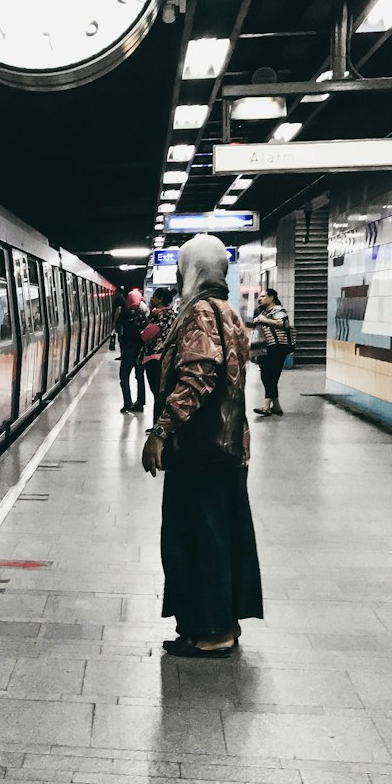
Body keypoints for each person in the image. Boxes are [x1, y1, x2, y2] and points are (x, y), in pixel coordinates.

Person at [141, 235, 263, 658]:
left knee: (196, 539)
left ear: (191, 269)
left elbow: (197, 376)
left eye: (181, 266)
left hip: (199, 452)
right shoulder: (230, 311)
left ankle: (211, 634)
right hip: (229, 448)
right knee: (223, 537)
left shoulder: (199, 313)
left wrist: (160, 432)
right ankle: (221, 622)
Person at [252, 287, 292, 416]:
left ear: (271, 297)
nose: (260, 298)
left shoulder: (278, 310)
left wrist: (265, 320)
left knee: (271, 375)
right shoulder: (260, 311)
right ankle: (276, 406)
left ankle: (266, 407)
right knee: (267, 376)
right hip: (263, 347)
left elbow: (284, 324)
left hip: (277, 347)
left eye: (263, 296)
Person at [139, 286, 176, 417]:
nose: (152, 299)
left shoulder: (158, 316)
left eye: (154, 297)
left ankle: (157, 425)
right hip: (169, 358)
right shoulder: (173, 314)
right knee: (165, 393)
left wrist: (143, 331)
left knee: (158, 394)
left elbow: (146, 335)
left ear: (160, 299)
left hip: (154, 359)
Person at [116, 287, 148, 412]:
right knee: (140, 377)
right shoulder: (143, 316)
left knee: (124, 376)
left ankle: (127, 402)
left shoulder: (126, 315)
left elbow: (123, 334)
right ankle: (140, 402)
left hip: (129, 351)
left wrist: (123, 348)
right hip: (140, 352)